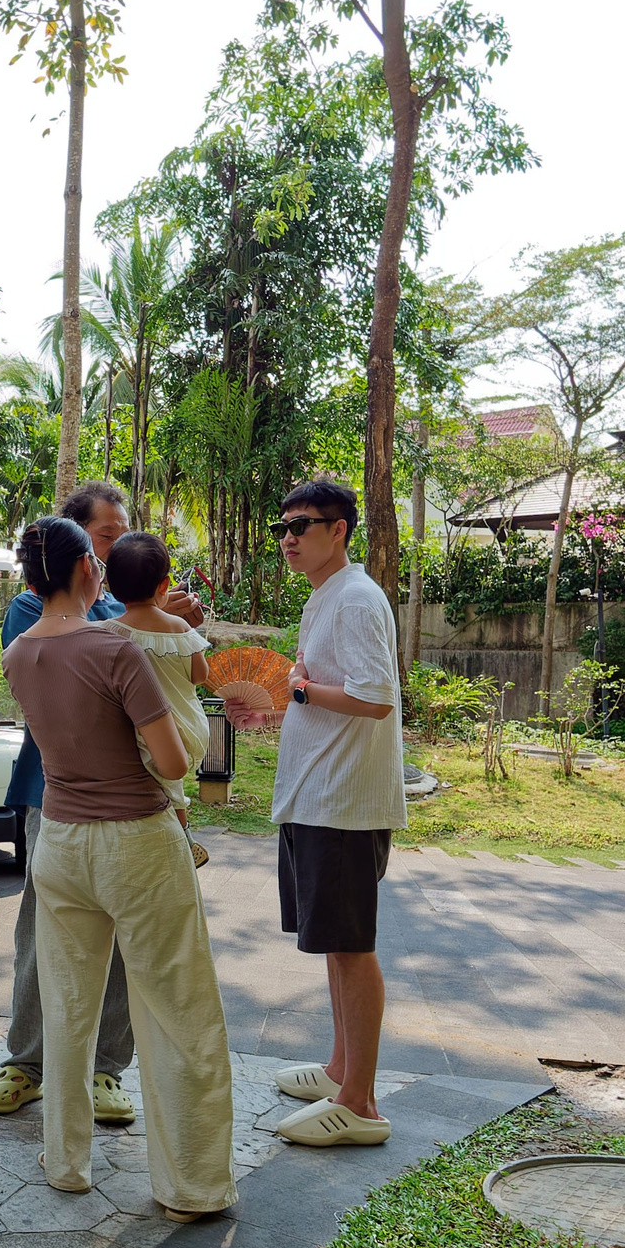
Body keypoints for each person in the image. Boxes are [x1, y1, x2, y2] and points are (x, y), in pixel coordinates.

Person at [2, 515, 236, 1220]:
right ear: (85, 572)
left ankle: (67, 1165)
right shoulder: (114, 651)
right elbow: (171, 761)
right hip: (136, 842)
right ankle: (190, 1186)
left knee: (68, 1010)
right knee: (178, 1010)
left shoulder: (16, 653)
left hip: (61, 846)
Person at [0, 479, 204, 1123]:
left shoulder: (117, 624)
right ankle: (27, 1063)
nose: (115, 555)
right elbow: (98, 640)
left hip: (136, 799)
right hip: (52, 798)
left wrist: (159, 622)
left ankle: (106, 1070)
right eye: (106, 542)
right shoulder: (29, 613)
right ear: (74, 554)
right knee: (40, 932)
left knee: (128, 939)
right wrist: (158, 619)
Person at [266, 480, 406, 1148]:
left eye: (305, 524)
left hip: (344, 801)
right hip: (319, 795)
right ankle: (339, 1070)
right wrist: (304, 687)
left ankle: (361, 1104)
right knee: (333, 942)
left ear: (340, 530)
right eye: (283, 526)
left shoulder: (354, 598)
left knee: (351, 946)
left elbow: (374, 696)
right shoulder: (326, 597)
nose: (290, 536)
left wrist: (300, 689)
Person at [96, 532, 214, 868]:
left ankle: (183, 838)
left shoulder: (107, 632)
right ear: (164, 586)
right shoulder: (180, 628)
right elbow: (200, 675)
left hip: (146, 730)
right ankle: (183, 836)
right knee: (170, 781)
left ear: (109, 584)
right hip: (190, 726)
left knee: (163, 778)